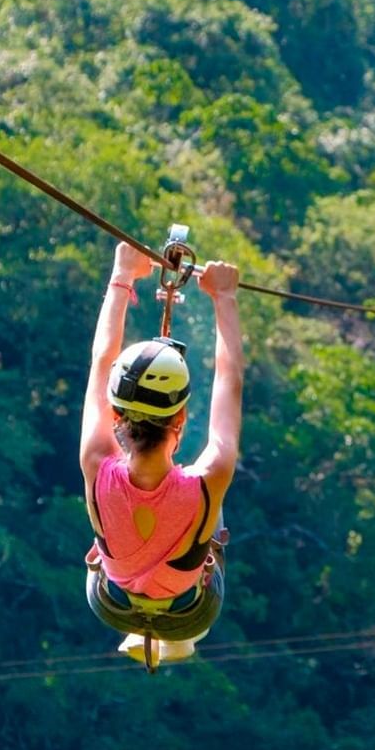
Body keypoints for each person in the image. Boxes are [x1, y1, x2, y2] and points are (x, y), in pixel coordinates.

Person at [79, 242, 243, 664]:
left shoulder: (96, 461)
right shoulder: (210, 475)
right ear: (182, 418)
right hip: (190, 614)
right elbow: (230, 381)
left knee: (120, 506)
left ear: (117, 414)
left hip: (110, 604)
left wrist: (122, 276)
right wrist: (223, 295)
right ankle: (178, 637)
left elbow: (102, 362)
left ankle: (144, 610)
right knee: (212, 506)